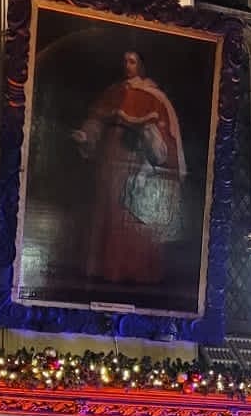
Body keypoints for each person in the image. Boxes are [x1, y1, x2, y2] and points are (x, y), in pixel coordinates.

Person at [74, 48, 186, 286]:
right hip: (109, 156)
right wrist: (85, 134)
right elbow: (97, 122)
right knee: (107, 206)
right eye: (124, 61)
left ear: (141, 66)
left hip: (135, 158)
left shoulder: (152, 96)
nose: (127, 65)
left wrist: (150, 146)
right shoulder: (113, 92)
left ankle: (132, 271)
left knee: (130, 211)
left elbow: (160, 132)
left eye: (132, 61)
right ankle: (105, 270)